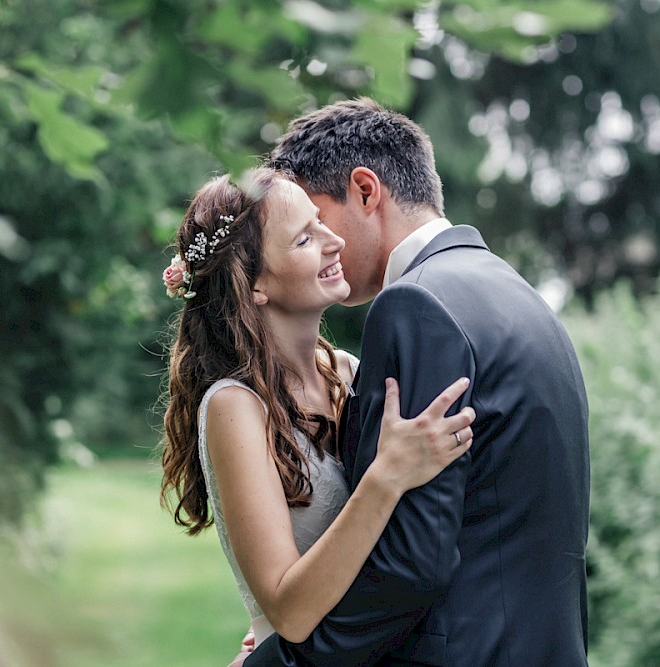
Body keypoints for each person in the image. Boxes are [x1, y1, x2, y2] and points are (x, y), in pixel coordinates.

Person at [242, 98, 591, 666]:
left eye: (314, 216)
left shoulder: (417, 305)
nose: (319, 241)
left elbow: (409, 565)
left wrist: (279, 662)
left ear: (364, 190)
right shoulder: (521, 297)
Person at [158, 168, 477, 660]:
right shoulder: (235, 407)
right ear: (256, 284)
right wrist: (387, 476)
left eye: (321, 222)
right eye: (306, 237)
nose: (334, 241)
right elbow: (289, 611)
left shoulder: (349, 372)